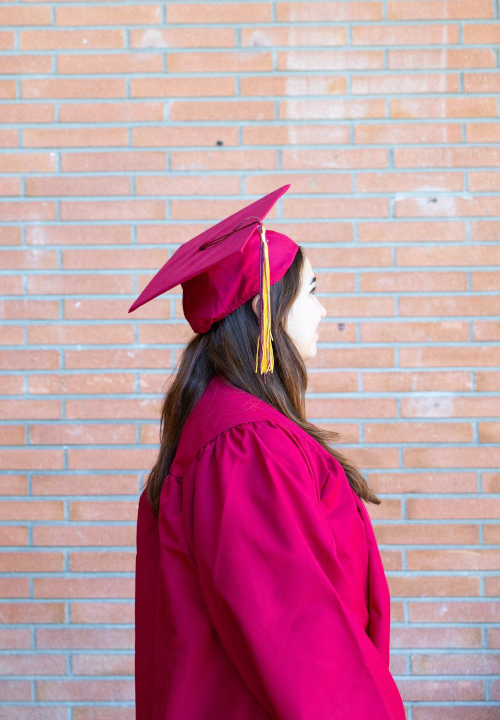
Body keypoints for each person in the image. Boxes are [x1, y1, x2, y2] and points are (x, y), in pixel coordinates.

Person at [129, 186, 404, 719]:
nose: (322, 310)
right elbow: (294, 628)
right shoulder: (246, 444)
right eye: (311, 292)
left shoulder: (227, 427)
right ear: (265, 307)